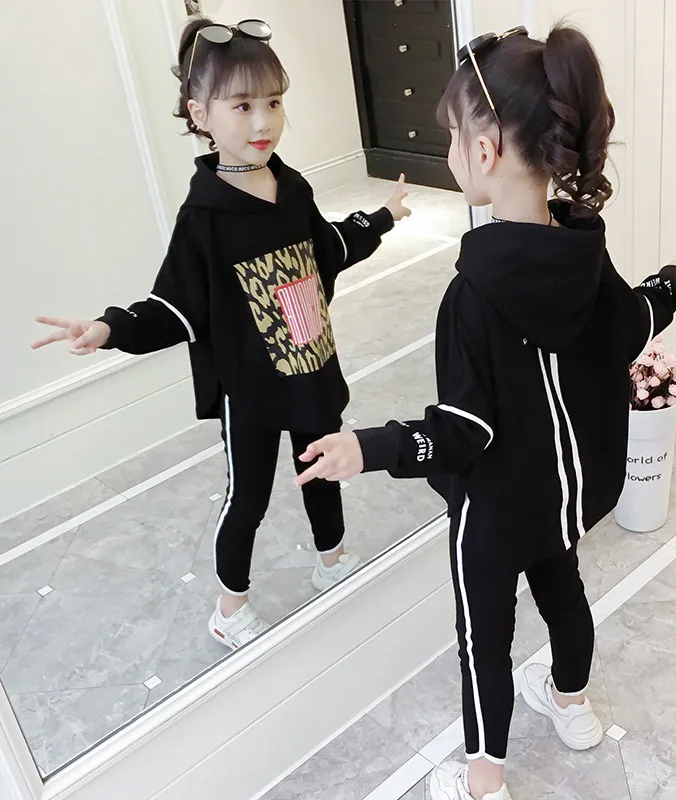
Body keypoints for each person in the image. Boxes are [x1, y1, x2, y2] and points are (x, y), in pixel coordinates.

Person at [294, 24, 676, 800]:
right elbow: (629, 324)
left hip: (496, 510)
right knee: (565, 596)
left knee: (485, 638)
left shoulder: (471, 296)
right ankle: (571, 705)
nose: (451, 150)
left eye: (453, 136)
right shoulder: (581, 251)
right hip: (562, 494)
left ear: (486, 148)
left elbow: (463, 432)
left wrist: (370, 448)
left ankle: (483, 780)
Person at [31, 16, 411, 651]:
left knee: (322, 470)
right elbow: (173, 305)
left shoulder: (292, 187)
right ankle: (229, 608)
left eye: (274, 102)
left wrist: (382, 217)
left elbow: (328, 249)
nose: (263, 122)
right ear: (199, 113)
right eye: (241, 106)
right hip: (249, 388)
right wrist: (109, 327)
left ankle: (333, 561)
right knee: (249, 498)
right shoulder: (204, 217)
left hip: (311, 369)